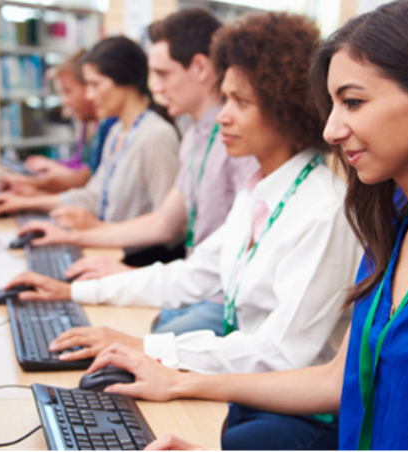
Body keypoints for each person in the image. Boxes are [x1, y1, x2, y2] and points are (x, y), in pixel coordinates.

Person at [81, 1, 408, 451]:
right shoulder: (393, 224)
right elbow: (339, 379)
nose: (331, 130)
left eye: (352, 102)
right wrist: (177, 382)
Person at [4, 13, 361, 381]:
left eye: (240, 101)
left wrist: (144, 346)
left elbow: (280, 353)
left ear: (285, 105)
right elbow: (193, 276)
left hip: (293, 401)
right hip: (250, 372)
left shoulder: (324, 210)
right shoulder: (258, 190)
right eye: (224, 98)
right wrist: (74, 291)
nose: (223, 116)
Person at [15, 8, 260, 336]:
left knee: (121, 343)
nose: (156, 86)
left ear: (201, 67)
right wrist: (73, 237)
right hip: (192, 288)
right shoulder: (194, 136)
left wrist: (124, 271)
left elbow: (174, 237)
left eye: (163, 74)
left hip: (217, 298)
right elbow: (164, 220)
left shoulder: (238, 142)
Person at [0, 37, 180, 232]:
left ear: (123, 79)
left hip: (138, 258)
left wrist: (99, 229)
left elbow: (168, 226)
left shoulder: (156, 136)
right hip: (110, 246)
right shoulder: (118, 131)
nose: (90, 95)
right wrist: (27, 202)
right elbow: (93, 196)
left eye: (96, 84)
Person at [0, 50, 118, 196]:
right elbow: (84, 168)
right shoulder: (88, 123)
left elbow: (90, 179)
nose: (64, 101)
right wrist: (55, 168)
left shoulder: (110, 125)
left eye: (68, 91)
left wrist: (38, 187)